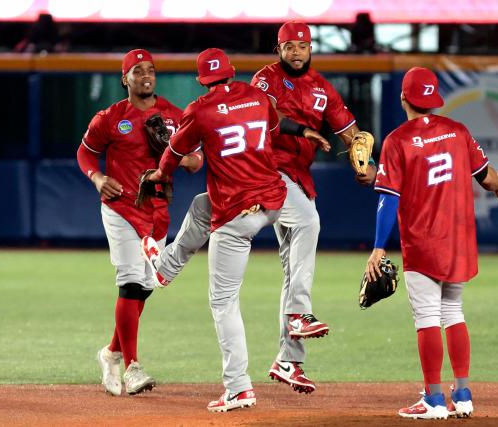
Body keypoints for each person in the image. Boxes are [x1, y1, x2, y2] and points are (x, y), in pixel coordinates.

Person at [143, 20, 376, 395]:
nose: (296, 50)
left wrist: (367, 166)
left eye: (302, 45)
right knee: (308, 225)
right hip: (270, 172)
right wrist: (301, 131)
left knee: (214, 211)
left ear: (311, 48)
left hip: (288, 178)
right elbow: (256, 115)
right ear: (277, 49)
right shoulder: (263, 82)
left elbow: (350, 135)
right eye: (289, 45)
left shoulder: (322, 90)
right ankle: (297, 317)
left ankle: (289, 360)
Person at [142, 48, 287, 412]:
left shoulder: (201, 109)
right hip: (272, 201)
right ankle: (166, 267)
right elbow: (273, 128)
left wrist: (160, 174)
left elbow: (174, 152)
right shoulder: (256, 95)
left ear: (201, 80)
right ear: (232, 72)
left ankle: (238, 387)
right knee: (200, 207)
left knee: (223, 301)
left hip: (237, 214)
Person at [365, 67, 498, 419]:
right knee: (454, 313)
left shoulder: (398, 140)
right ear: (434, 100)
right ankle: (462, 394)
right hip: (459, 240)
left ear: (403, 98)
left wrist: (379, 246)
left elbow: (389, 199)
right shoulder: (458, 132)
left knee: (427, 317)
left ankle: (432, 400)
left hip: (424, 240)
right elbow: (487, 178)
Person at [76, 48, 202, 397]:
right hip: (119, 206)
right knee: (131, 281)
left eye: (151, 70)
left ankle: (111, 353)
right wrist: (98, 179)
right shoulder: (111, 117)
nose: (146, 76)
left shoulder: (175, 116)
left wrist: (191, 159)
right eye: (137, 71)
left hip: (157, 208)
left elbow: (197, 157)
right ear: (125, 79)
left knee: (146, 286)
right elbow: (85, 151)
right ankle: (132, 366)